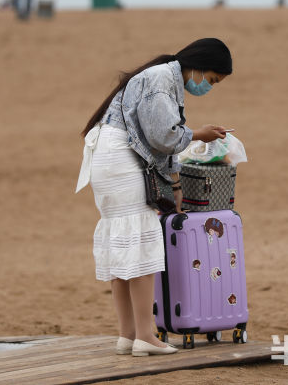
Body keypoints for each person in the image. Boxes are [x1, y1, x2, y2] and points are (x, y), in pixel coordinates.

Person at [76, 38, 233, 356]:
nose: (209, 87)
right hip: (122, 162)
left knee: (123, 247)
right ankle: (146, 336)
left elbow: (155, 141)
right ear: (200, 67)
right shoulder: (161, 79)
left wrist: (173, 187)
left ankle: (128, 335)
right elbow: (163, 137)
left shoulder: (161, 77)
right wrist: (197, 134)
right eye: (212, 80)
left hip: (108, 162)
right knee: (142, 245)